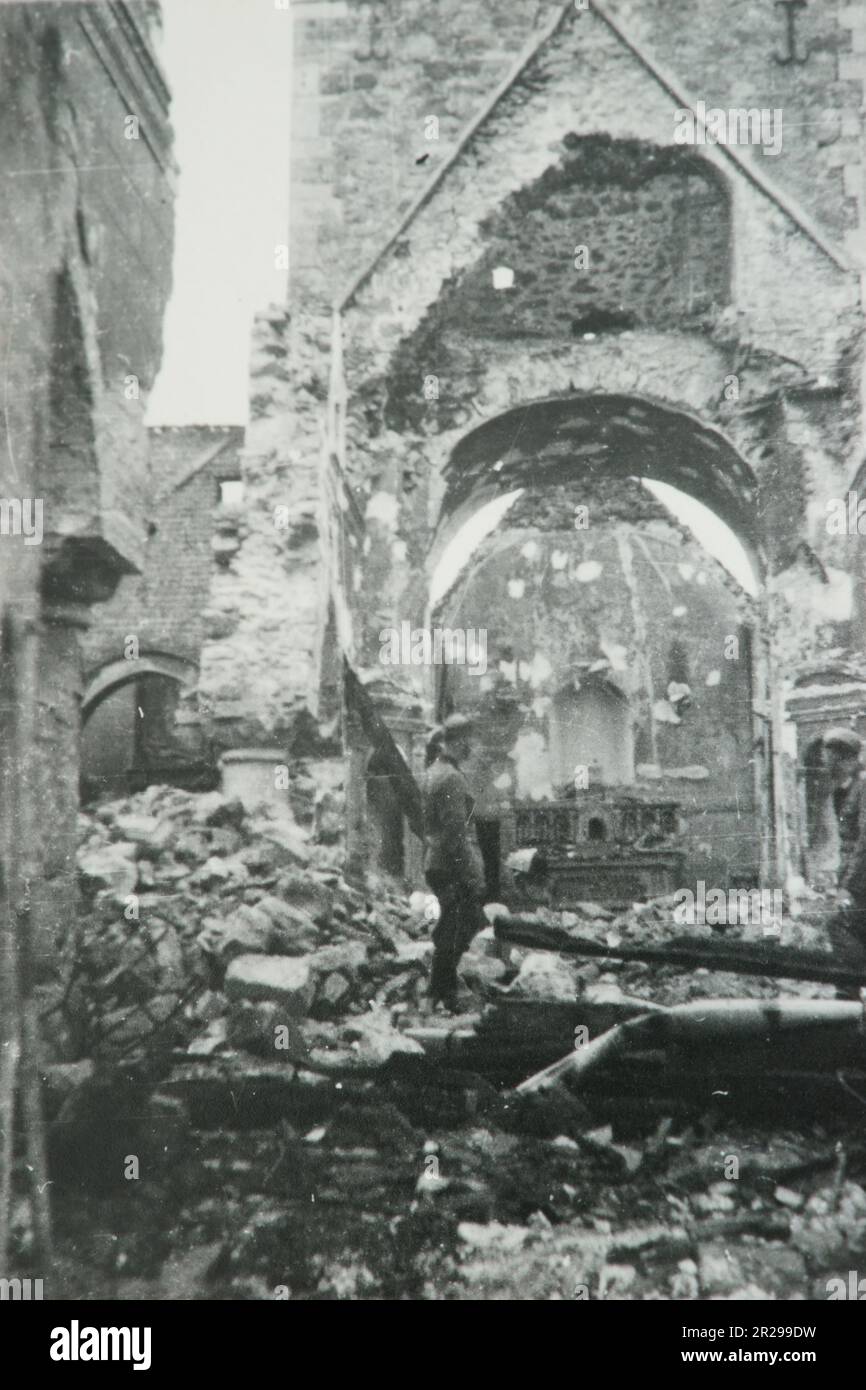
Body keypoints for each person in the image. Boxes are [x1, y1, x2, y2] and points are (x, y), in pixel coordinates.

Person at [422, 713, 486, 1010]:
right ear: (459, 741)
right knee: (461, 924)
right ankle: (438, 993)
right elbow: (455, 834)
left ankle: (442, 993)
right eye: (469, 741)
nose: (472, 747)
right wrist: (470, 873)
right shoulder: (451, 778)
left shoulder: (436, 770)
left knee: (452, 925)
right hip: (449, 864)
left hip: (437, 862)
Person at [823, 727, 866, 969]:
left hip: (861, 883)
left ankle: (851, 989)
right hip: (858, 882)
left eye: (830, 759)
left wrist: (848, 887)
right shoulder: (845, 790)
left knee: (837, 924)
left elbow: (864, 843)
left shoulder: (863, 788)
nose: (827, 764)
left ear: (846, 759)